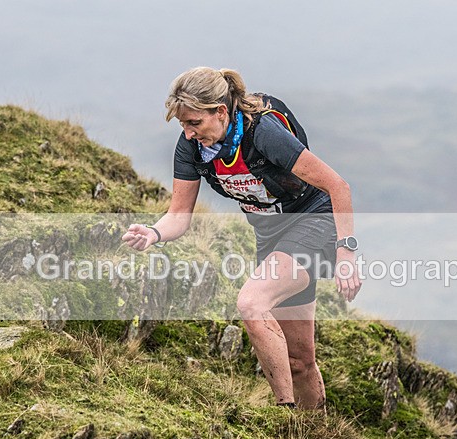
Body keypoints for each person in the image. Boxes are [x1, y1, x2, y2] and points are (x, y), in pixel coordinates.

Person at [123, 67, 361, 410]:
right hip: (270, 234)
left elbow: (338, 186)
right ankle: (314, 430)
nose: (188, 133)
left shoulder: (263, 134)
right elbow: (178, 216)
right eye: (183, 125)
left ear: (221, 111)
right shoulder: (192, 148)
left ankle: (283, 413)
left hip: (314, 220)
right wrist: (154, 232)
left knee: (251, 303)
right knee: (299, 361)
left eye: (194, 123)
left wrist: (346, 253)